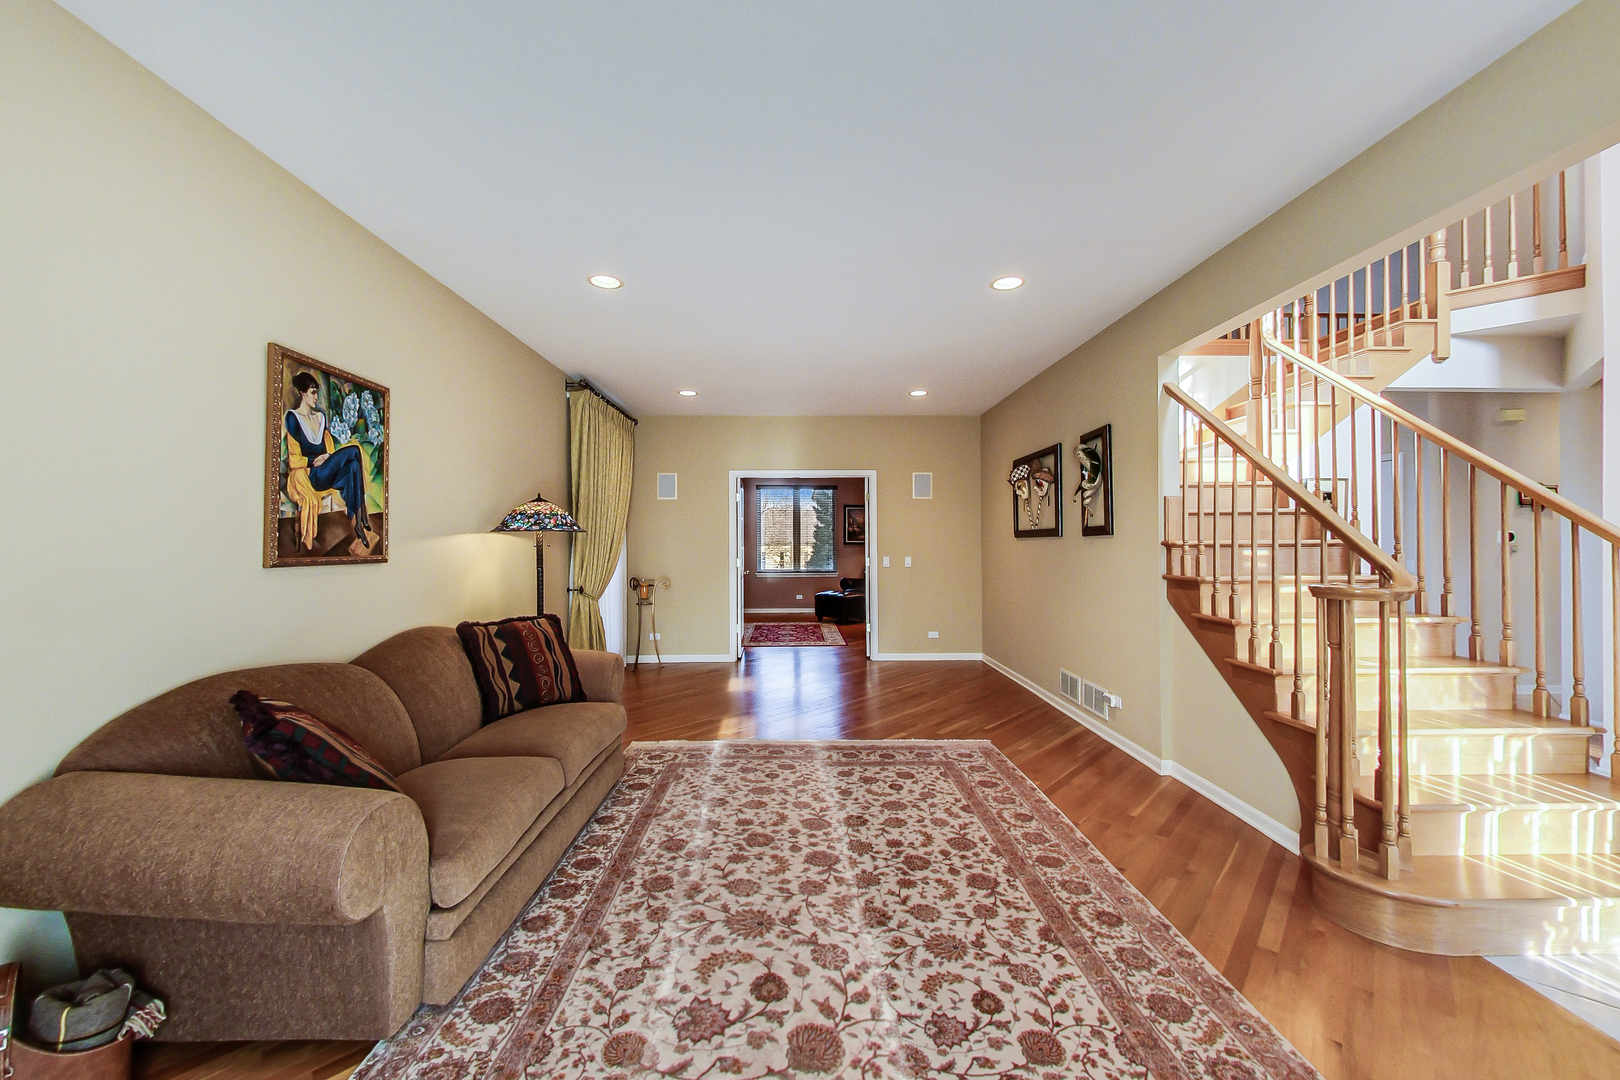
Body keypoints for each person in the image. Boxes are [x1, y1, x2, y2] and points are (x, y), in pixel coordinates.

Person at [283, 371, 374, 551]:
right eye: (312, 392)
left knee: (354, 464)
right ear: (303, 393)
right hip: (312, 476)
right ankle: (361, 512)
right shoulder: (293, 418)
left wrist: (328, 456)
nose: (316, 396)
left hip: (326, 470)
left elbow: (328, 448)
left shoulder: (320, 417)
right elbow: (294, 460)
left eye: (317, 392)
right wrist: (313, 461)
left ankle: (359, 522)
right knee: (355, 450)